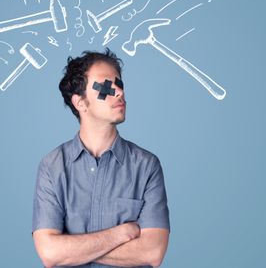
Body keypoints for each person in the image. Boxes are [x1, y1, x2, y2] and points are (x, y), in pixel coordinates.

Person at [32, 48, 170, 267]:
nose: (119, 92)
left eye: (119, 84)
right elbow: (49, 253)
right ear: (80, 102)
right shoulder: (52, 167)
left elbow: (152, 252)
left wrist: (72, 247)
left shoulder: (147, 166)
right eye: (105, 86)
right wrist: (122, 233)